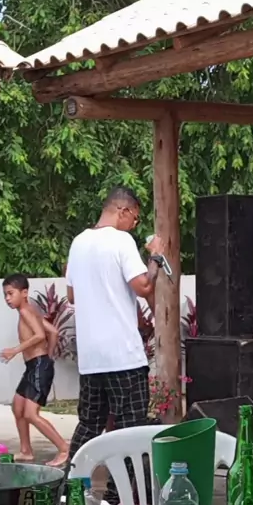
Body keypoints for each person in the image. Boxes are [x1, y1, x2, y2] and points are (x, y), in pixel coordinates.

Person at [66, 186, 162, 472]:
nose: (134, 224)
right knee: (131, 428)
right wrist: (155, 257)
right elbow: (143, 286)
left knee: (89, 425)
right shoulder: (121, 240)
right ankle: (121, 493)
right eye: (135, 217)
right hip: (123, 356)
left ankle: (70, 486)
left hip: (91, 358)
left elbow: (72, 295)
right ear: (123, 211)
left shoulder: (78, 242)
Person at [0, 273, 69, 467]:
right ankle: (26, 451)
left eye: (10, 293)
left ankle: (64, 449)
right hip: (34, 366)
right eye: (5, 295)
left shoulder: (26, 311)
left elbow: (40, 335)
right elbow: (53, 332)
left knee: (30, 414)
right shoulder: (30, 310)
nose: (7, 298)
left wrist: (15, 350)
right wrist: (49, 355)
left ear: (24, 293)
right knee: (18, 407)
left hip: (38, 366)